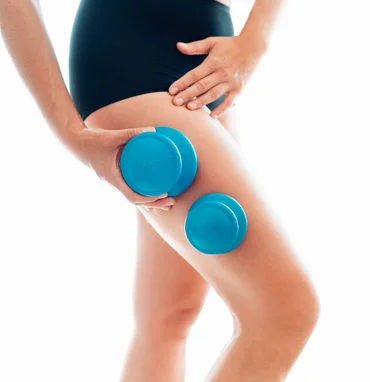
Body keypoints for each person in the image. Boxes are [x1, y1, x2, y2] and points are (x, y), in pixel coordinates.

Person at [0, 0, 320, 380]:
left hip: (209, 64)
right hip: (135, 58)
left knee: (170, 314)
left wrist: (256, 39)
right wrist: (67, 130)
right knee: (284, 311)